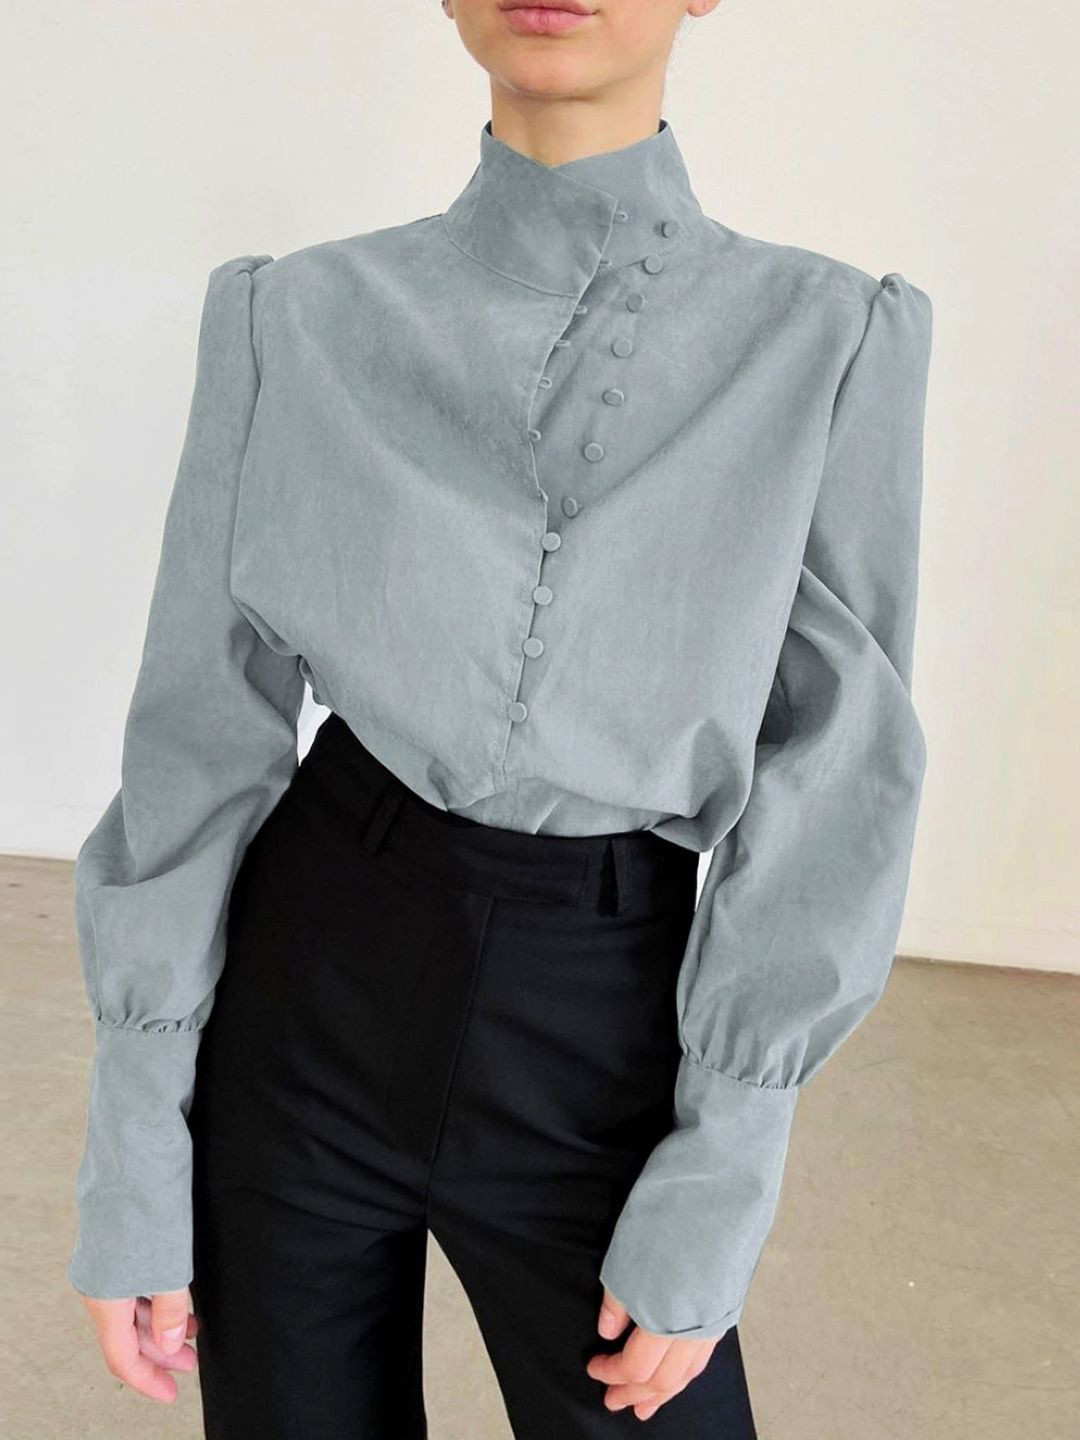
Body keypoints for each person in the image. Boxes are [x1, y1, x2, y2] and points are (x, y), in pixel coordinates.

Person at [67, 0, 933, 1434]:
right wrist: (134, 1150)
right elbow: (198, 730)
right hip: (306, 994)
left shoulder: (827, 338)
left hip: (599, 1024)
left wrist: (723, 1167)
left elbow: (840, 773)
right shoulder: (296, 315)